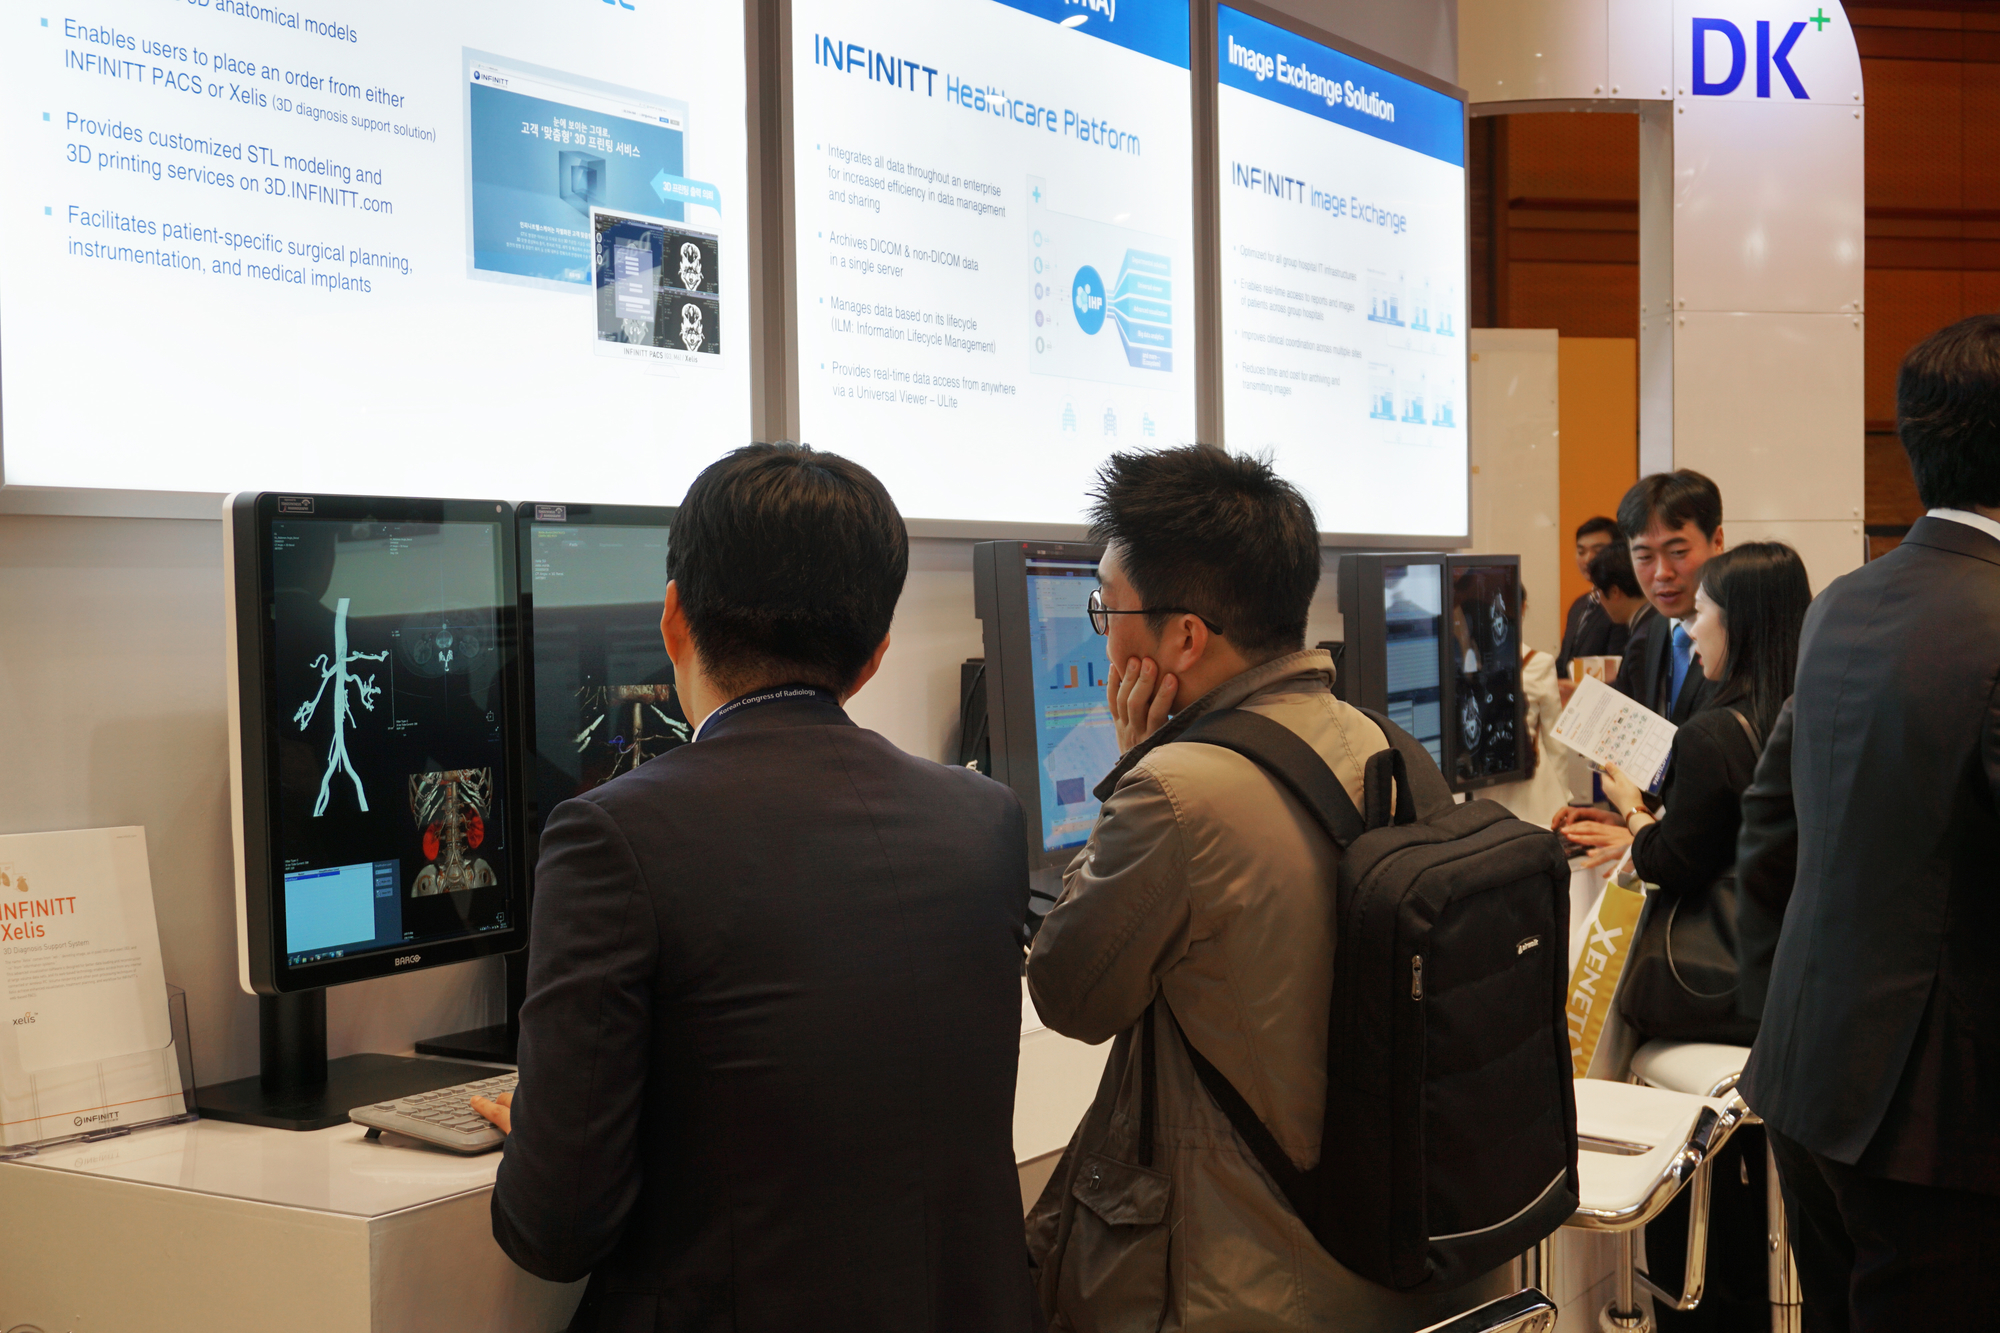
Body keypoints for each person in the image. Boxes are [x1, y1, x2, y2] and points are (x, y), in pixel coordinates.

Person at [477, 444, 1037, 1333]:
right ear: (876, 655)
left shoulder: (611, 835)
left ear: (673, 618)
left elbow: (555, 1228)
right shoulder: (984, 819)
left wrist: (549, 1131)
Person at [1023, 445, 1510, 1332]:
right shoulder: (1386, 743)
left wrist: (1133, 765)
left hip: (1250, 1285)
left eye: (1106, 608)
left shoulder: (1174, 791)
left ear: (1184, 638)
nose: (1103, 634)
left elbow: (1068, 993)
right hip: (1409, 1251)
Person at [1742, 313, 2000, 1330]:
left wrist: (1775, 1013)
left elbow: (1770, 823)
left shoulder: (1840, 603)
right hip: (1938, 1121)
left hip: (1809, 1071)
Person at [1558, 542, 1811, 1332]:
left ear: (1738, 622)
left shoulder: (1712, 734)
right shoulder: (1810, 713)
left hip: (1719, 990)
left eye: (1703, 612)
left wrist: (1634, 813)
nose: (1691, 630)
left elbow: (1674, 860)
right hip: (1793, 982)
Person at [1612, 471, 1726, 723]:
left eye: (1678, 551)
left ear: (1717, 541)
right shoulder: (1649, 632)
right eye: (1644, 557)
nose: (1662, 573)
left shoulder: (1743, 635)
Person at [1484, 587, 1573, 828]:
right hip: (1533, 788)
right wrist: (1563, 794)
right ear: (1523, 608)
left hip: (1483, 786)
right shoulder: (1539, 662)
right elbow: (1554, 737)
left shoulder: (1466, 665)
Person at [1555, 515, 1621, 679]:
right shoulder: (1579, 605)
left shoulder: (1622, 604)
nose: (1588, 559)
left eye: (1598, 550)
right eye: (1581, 551)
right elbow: (1565, 661)